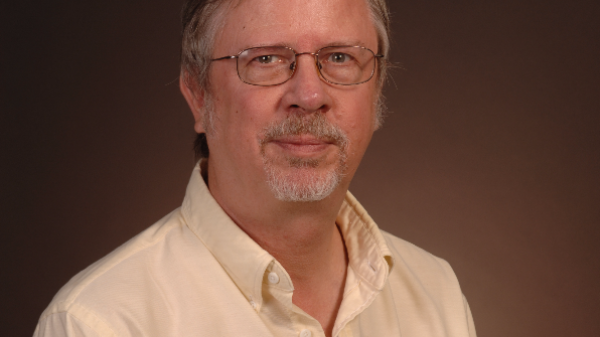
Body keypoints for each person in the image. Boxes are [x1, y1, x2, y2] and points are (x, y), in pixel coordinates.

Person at [34, 0, 477, 336]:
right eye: (265, 59)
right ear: (198, 94)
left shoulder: (436, 294)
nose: (308, 94)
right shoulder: (100, 323)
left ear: (377, 89)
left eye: (340, 57)